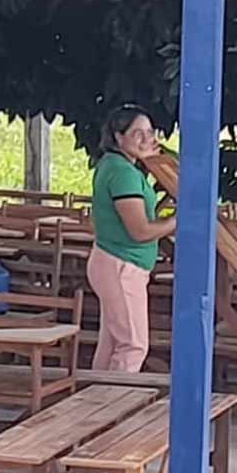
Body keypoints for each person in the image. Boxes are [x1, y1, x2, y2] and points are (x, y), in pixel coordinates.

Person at [86, 104, 176, 372]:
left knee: (113, 342)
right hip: (121, 265)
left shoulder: (119, 167)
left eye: (150, 132)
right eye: (138, 133)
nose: (148, 139)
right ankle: (117, 406)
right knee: (133, 345)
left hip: (114, 262)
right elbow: (140, 231)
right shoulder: (122, 172)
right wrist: (177, 222)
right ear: (118, 136)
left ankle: (97, 406)